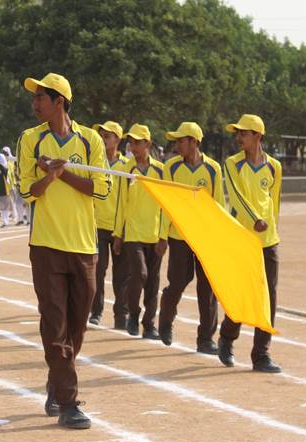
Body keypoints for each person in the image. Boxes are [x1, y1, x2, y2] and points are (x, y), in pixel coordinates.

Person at [17, 73, 110, 430]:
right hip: (46, 246)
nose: (34, 104)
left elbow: (100, 189)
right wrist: (49, 178)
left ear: (59, 102)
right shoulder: (30, 139)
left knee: (76, 328)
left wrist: (63, 173)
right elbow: (27, 191)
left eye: (39, 97)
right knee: (54, 326)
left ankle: (57, 379)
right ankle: (69, 402)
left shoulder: (90, 141)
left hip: (85, 246)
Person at [220, 114, 283, 373]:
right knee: (241, 292)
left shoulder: (274, 167)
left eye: (243, 133)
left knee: (269, 295)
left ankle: (261, 354)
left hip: (268, 240)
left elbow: (274, 201)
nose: (238, 138)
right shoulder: (232, 164)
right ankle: (227, 337)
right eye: (237, 133)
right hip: (241, 236)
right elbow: (235, 197)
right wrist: (255, 219)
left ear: (257, 135)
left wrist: (272, 227)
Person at [157, 122, 222, 354]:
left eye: (181, 141)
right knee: (177, 282)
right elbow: (165, 203)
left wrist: (219, 238)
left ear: (194, 142)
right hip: (178, 236)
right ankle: (165, 321)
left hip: (205, 238)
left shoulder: (213, 169)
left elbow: (218, 206)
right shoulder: (171, 168)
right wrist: (162, 235)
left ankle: (206, 339)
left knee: (207, 289)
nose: (177, 145)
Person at [113, 124, 164, 340]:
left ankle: (149, 325)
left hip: (154, 234)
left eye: (137, 142)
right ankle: (133, 314)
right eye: (130, 142)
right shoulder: (127, 170)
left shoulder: (161, 171)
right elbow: (120, 204)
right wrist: (118, 234)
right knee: (140, 274)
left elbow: (166, 206)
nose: (132, 147)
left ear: (148, 144)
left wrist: (163, 236)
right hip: (133, 233)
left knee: (153, 282)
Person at [90, 121, 130, 327]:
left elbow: (127, 200)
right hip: (97, 226)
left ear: (118, 139)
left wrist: (120, 231)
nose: (103, 139)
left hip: (118, 229)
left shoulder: (125, 166)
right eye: (101, 135)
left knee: (121, 276)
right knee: (97, 271)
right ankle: (95, 312)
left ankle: (121, 316)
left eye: (107, 136)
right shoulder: (95, 162)